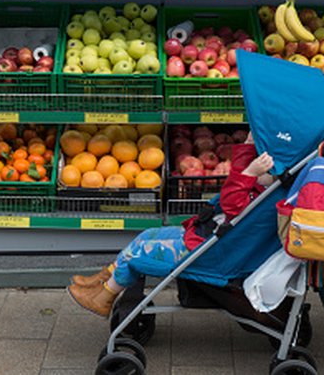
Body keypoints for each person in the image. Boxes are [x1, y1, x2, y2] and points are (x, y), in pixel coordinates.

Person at [69, 132, 275, 317]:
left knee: (141, 251)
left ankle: (104, 297)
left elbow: (231, 202)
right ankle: (103, 281)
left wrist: (248, 172)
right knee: (148, 234)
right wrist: (248, 151)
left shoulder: (260, 197)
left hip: (210, 252)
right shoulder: (266, 190)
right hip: (208, 238)